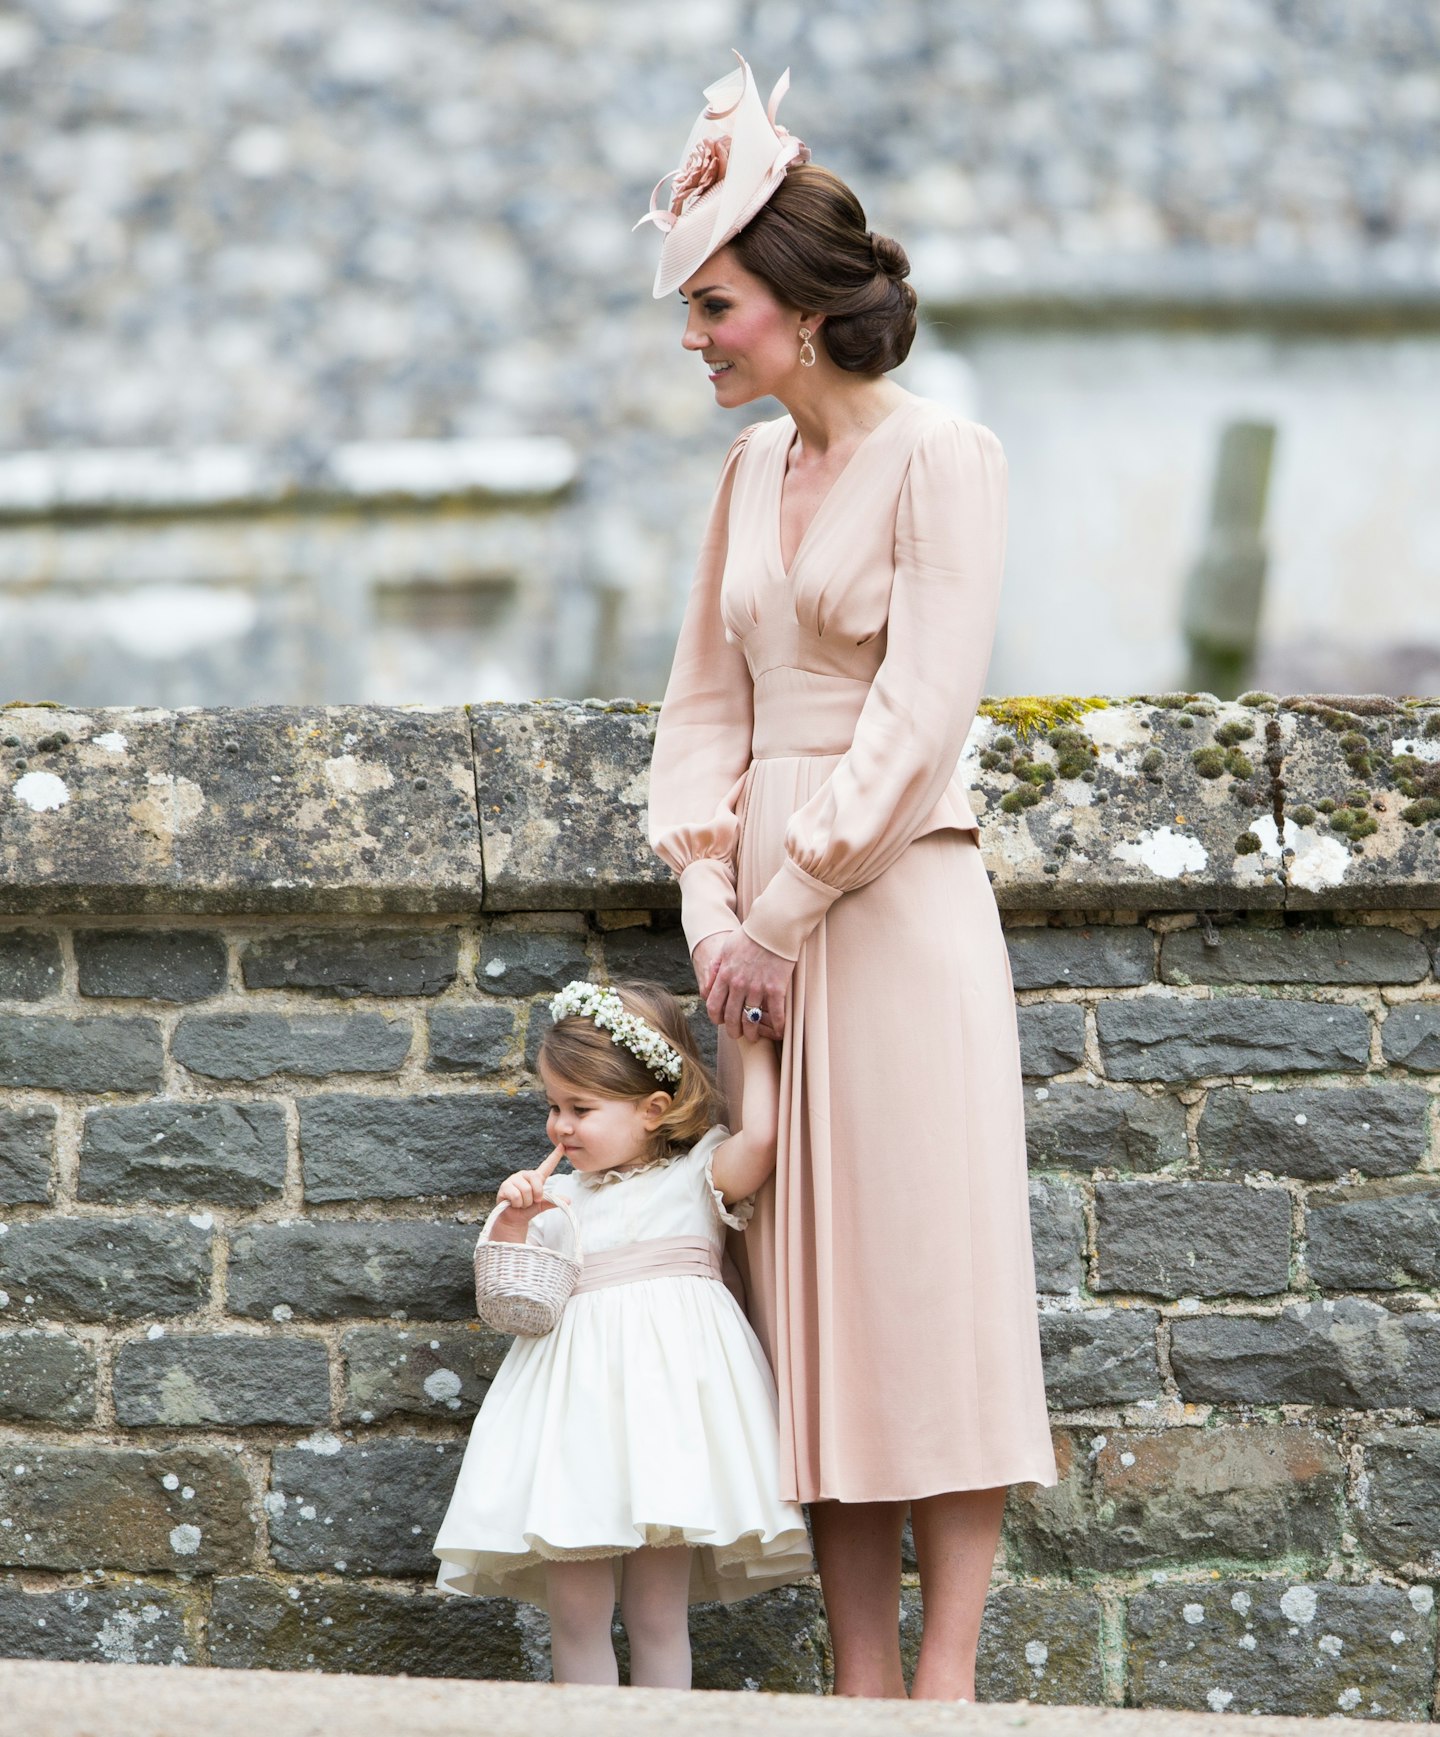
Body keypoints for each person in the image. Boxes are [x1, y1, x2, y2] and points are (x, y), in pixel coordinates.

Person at [642, 55, 1058, 1702]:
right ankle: (859, 1683)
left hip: (893, 915)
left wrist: (786, 909)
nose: (695, 338)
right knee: (805, 1301)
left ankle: (945, 1682)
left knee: (929, 1286)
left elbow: (919, 714)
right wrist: (712, 911)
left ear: (799, 308)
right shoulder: (745, 480)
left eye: (715, 305)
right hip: (753, 926)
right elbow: (699, 709)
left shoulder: (948, 458)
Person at [431, 977, 813, 1689]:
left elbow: (762, 1137)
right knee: (575, 1614)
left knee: (658, 1613)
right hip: (577, 1429)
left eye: (581, 1107)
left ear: (653, 1109)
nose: (559, 1126)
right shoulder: (559, 1198)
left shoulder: (701, 1170)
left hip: (670, 1428)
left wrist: (752, 1034)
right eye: (553, 1106)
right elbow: (514, 1301)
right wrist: (515, 1218)